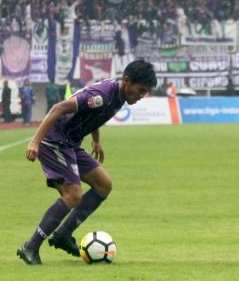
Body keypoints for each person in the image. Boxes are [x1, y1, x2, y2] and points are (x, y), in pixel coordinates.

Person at [17, 60, 157, 265]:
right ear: (127, 81)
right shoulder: (101, 96)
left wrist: (96, 140)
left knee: (104, 185)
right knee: (73, 194)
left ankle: (63, 235)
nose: (140, 96)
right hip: (54, 140)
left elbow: (94, 116)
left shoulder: (119, 96)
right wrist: (35, 141)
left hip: (71, 142)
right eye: (140, 91)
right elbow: (58, 108)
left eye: (144, 93)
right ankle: (31, 247)